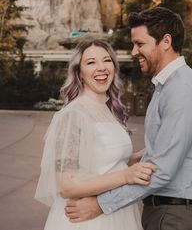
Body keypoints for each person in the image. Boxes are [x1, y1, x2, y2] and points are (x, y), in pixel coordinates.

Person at [65, 6, 192, 230]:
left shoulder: (181, 90)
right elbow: (172, 146)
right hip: (166, 212)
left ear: (165, 41)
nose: (134, 51)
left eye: (140, 43)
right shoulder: (166, 86)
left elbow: (163, 169)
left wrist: (100, 204)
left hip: (176, 217)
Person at [35, 39, 155, 230]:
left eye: (107, 60)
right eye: (91, 62)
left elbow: (102, 162)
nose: (101, 68)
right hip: (88, 221)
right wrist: (126, 176)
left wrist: (136, 157)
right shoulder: (73, 115)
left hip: (118, 213)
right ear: (79, 73)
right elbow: (67, 186)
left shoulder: (107, 109)